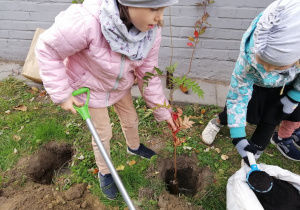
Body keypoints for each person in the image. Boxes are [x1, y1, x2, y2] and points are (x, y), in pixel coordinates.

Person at [35, 0, 178, 200]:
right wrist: (62, 94)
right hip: (89, 88)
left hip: (119, 86)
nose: (160, 17)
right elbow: (47, 49)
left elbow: (148, 74)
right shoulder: (87, 22)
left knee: (131, 119)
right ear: (128, 4)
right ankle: (105, 172)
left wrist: (163, 110)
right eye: (154, 8)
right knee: (103, 134)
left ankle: (134, 147)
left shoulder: (150, 33)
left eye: (163, 9)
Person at [201, 0, 300, 164]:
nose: (267, 71)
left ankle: (253, 158)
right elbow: (238, 97)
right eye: (262, 62)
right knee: (237, 111)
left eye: (276, 66)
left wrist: (294, 96)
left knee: (271, 119)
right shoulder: (247, 58)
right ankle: (218, 122)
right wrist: (238, 136)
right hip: (255, 87)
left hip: (284, 88)